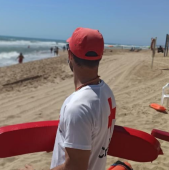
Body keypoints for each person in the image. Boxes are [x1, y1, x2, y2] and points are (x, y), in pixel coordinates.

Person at [23, 27, 116, 170]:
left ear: (70, 55)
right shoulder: (107, 92)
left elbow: (76, 166)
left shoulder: (78, 107)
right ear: (100, 56)